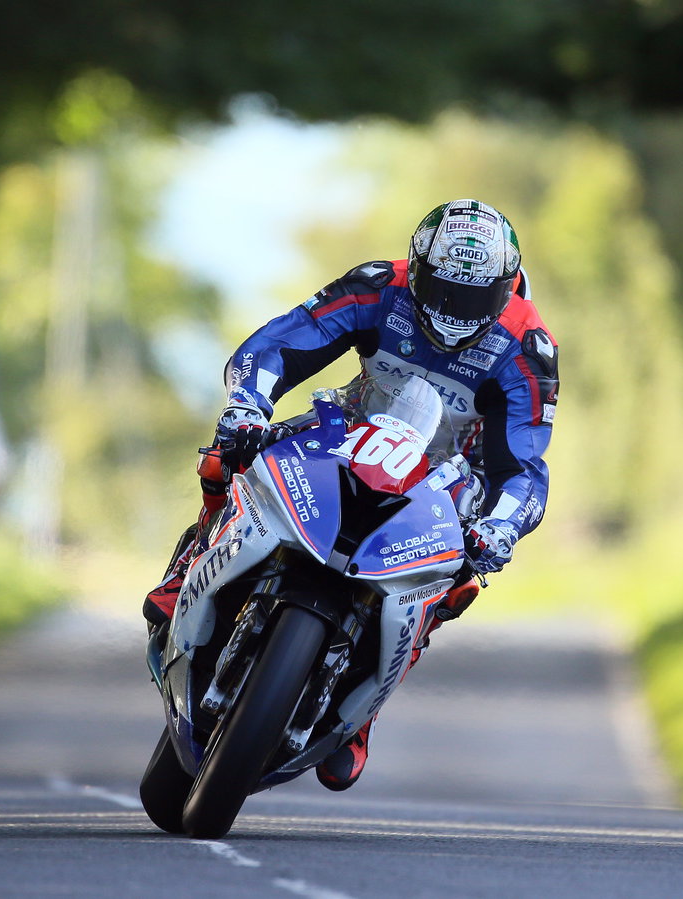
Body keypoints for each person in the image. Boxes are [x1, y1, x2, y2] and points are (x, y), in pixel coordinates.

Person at [142, 199, 559, 790]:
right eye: (440, 289)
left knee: (458, 581)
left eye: (474, 298)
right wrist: (247, 405)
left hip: (445, 476)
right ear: (415, 268)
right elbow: (277, 345)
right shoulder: (377, 286)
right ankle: (185, 578)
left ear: (507, 289)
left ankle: (363, 711)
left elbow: (524, 466)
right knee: (225, 459)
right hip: (345, 428)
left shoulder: (527, 347)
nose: (451, 311)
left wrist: (501, 526)